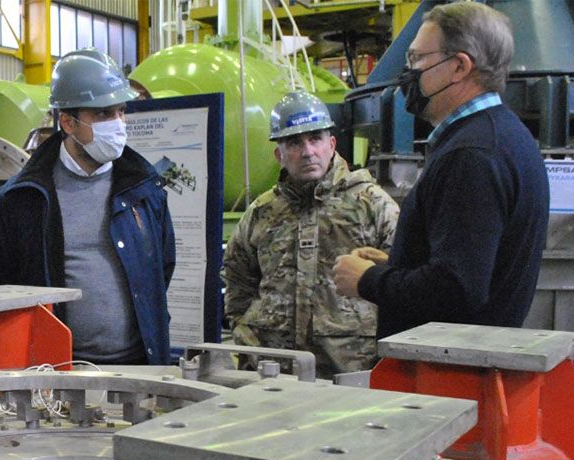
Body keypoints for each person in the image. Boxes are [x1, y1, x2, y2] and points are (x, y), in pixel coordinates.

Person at [333, 1, 548, 338]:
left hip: (450, 374)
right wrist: (397, 265)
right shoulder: (502, 134)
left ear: (460, 66)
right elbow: (471, 266)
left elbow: (456, 290)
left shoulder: (472, 155)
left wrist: (368, 280)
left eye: (417, 59)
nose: (408, 72)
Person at [0, 48, 175, 366]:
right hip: (55, 370)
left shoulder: (145, 190)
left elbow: (161, 268)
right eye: (102, 114)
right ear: (68, 122)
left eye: (121, 112)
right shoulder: (21, 200)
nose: (118, 124)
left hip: (140, 363)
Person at [224, 91, 398, 378]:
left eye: (315, 139)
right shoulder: (262, 213)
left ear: (331, 145)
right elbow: (237, 276)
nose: (307, 151)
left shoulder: (372, 204)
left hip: (350, 367)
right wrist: (246, 330)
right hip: (275, 368)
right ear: (279, 155)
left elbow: (400, 279)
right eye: (294, 142)